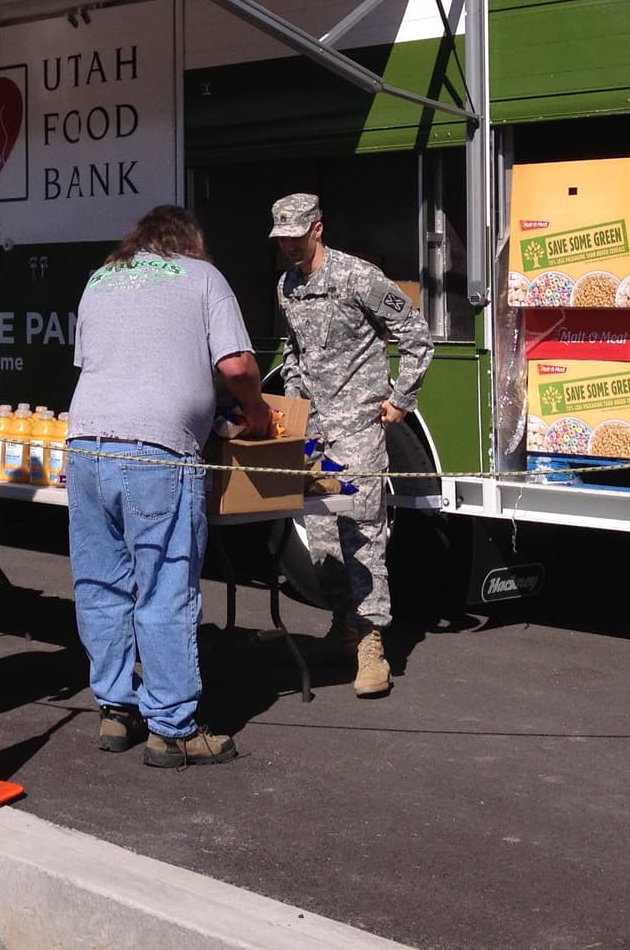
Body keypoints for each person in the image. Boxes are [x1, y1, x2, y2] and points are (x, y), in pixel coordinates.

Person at [66, 205, 272, 770]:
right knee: (164, 586)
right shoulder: (203, 278)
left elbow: (98, 362)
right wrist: (254, 410)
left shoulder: (101, 277)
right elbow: (234, 365)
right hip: (157, 450)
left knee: (100, 583)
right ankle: (173, 728)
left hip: (86, 444)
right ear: (189, 242)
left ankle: (115, 707)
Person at [270, 192, 435, 699]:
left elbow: (415, 333)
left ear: (318, 229)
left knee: (363, 531)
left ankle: (371, 645)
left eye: (297, 238)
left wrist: (401, 399)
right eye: (282, 241)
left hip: (358, 428)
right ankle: (342, 628)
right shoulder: (287, 287)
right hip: (314, 432)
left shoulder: (359, 277)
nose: (290, 248)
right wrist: (293, 406)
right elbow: (294, 350)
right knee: (320, 535)